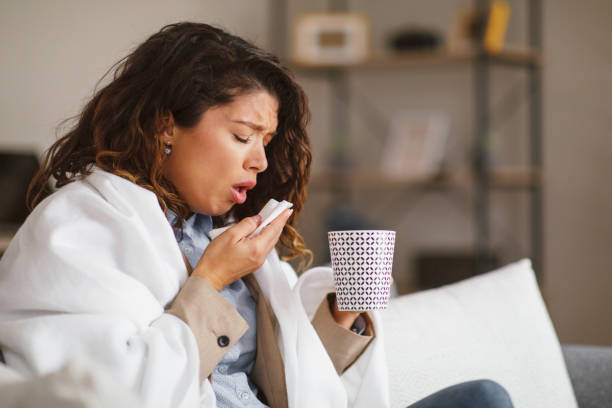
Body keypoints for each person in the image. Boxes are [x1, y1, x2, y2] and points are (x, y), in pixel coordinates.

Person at [0, 22, 513, 408]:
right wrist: (211, 279)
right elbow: (109, 394)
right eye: (242, 136)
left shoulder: (215, 232)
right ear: (165, 125)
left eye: (265, 142)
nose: (260, 161)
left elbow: (286, 385)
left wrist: (342, 314)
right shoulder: (76, 228)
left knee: (482, 398)